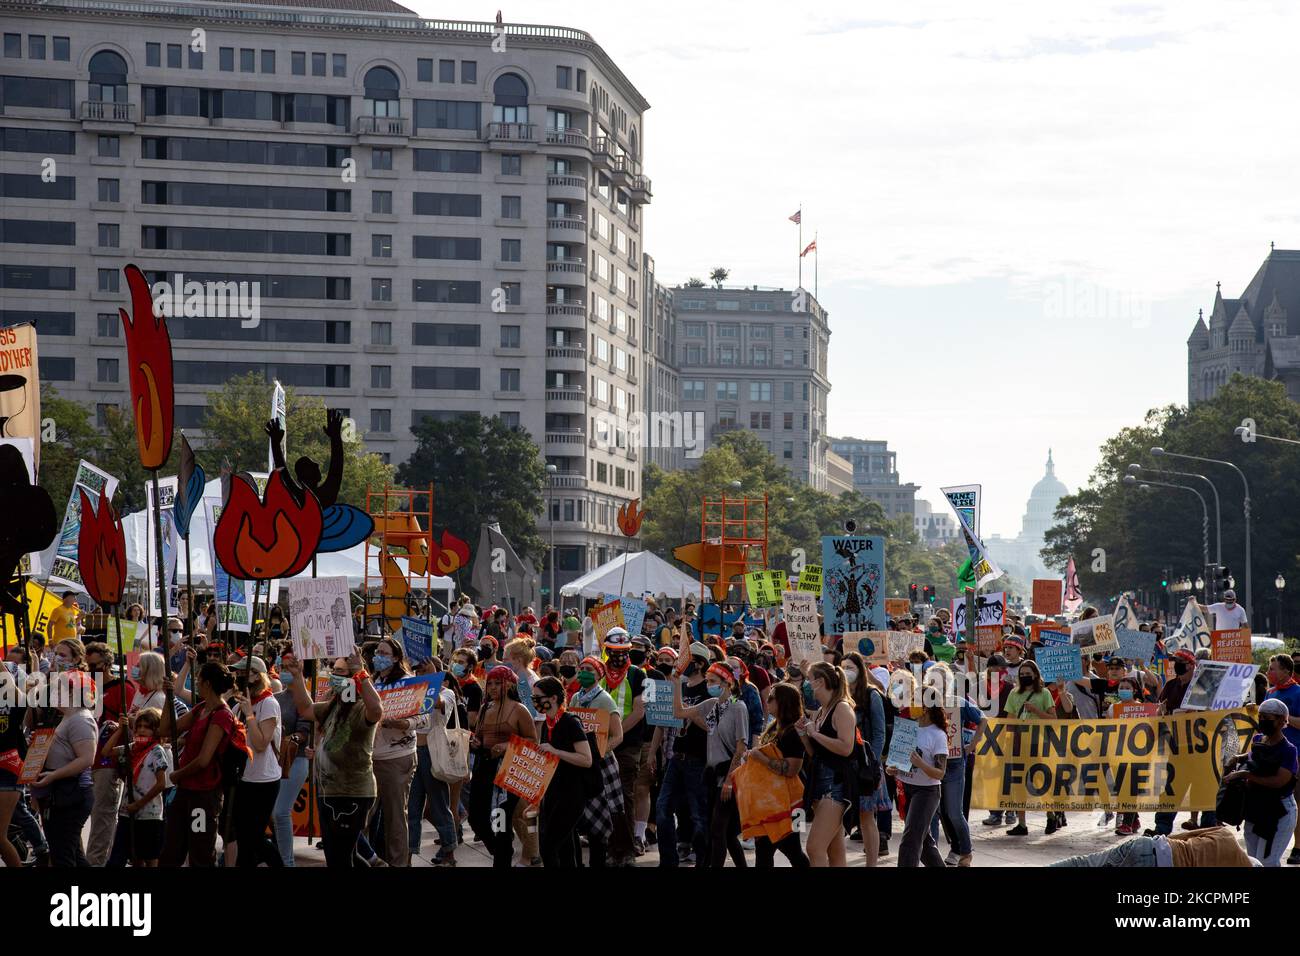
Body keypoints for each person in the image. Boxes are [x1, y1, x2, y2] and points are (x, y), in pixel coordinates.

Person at [282, 650, 382, 867]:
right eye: (333, 670)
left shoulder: (360, 707)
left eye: (341, 671)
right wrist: (298, 676)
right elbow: (306, 709)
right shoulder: (334, 705)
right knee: (343, 855)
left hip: (352, 793)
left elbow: (376, 710)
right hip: (329, 792)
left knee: (341, 858)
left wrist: (360, 672)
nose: (334, 675)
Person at [159, 661, 237, 867]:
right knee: (171, 849)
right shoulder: (201, 708)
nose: (197, 684)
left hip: (203, 795)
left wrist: (178, 774)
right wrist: (169, 697)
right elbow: (167, 729)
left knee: (201, 851)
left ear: (208, 684)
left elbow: (204, 760)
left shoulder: (222, 715)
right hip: (185, 792)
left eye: (199, 680)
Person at [671, 657, 747, 867]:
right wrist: (676, 682)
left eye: (713, 681)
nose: (709, 685)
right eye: (708, 681)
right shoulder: (712, 705)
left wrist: (729, 781)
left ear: (726, 683)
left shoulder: (738, 707)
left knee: (717, 830)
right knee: (728, 835)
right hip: (712, 776)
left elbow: (741, 747)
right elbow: (679, 712)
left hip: (729, 778)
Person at [468, 664, 537, 867]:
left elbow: (533, 740)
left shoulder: (519, 709)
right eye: (490, 684)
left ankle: (502, 858)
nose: (493, 688)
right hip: (483, 767)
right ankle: (502, 851)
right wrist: (475, 742)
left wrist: (508, 745)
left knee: (501, 822)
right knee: (476, 819)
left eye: (498, 683)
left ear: (509, 685)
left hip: (507, 771)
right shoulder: (485, 708)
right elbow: (478, 736)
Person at [33, 668, 99, 866]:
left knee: (64, 855)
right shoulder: (68, 717)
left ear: (71, 692)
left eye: (56, 687)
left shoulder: (81, 719)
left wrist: (53, 776)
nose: (52, 691)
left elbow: (87, 759)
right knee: (70, 853)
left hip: (71, 792)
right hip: (62, 792)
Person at [656, 640, 712, 867]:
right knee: (662, 810)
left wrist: (689, 713)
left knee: (699, 815)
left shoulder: (710, 689)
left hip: (698, 760)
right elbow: (664, 721)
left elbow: (712, 725)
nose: (680, 665)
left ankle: (703, 859)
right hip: (675, 758)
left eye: (685, 661)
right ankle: (668, 861)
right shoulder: (681, 685)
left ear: (699, 664)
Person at [1224, 697, 1297, 866]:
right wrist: (1237, 758)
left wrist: (1244, 775)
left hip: (1279, 811)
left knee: (1268, 862)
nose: (1263, 721)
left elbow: (1279, 781)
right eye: (1261, 717)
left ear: (1281, 721)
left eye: (1268, 718)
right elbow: (1254, 756)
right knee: (1253, 861)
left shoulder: (1288, 750)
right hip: (1256, 807)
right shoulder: (1258, 740)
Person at [799, 661, 856, 867]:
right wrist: (805, 736)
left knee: (814, 847)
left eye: (809, 679)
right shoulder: (823, 710)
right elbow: (818, 753)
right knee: (835, 851)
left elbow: (845, 747)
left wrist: (814, 733)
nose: (806, 684)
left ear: (820, 682)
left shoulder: (842, 708)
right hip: (820, 784)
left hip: (836, 788)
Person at [601, 627, 651, 864]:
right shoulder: (600, 673)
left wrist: (618, 733)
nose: (619, 656)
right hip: (604, 744)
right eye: (614, 651)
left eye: (624, 651)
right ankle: (613, 848)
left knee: (624, 796)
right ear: (607, 651)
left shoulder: (639, 675)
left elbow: (640, 711)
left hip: (628, 744)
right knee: (606, 798)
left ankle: (628, 850)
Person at [747, 681, 810, 867]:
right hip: (770, 800)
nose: (767, 700)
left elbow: (792, 769)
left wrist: (760, 758)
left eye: (772, 698)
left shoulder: (793, 732)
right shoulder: (774, 726)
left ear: (784, 702)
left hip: (794, 803)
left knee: (792, 849)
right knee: (764, 849)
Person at [533, 675, 593, 866]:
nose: (535, 701)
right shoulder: (548, 724)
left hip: (572, 794)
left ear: (553, 698)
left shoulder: (570, 722)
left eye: (538, 697)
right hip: (553, 793)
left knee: (549, 846)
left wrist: (556, 752)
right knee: (565, 847)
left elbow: (586, 759)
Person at [367, 636, 417, 866]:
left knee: (395, 818)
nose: (379, 656)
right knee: (364, 818)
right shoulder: (372, 681)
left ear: (396, 658)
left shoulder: (408, 683)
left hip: (397, 758)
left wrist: (401, 723)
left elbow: (422, 718)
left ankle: (398, 863)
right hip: (369, 758)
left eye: (385, 653)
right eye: (377, 652)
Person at [230, 654, 283, 867]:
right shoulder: (239, 704)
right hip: (244, 778)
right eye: (238, 673)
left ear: (257, 676)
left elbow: (261, 743)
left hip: (264, 780)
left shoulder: (268, 703)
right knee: (243, 838)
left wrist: (249, 714)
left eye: (245, 673)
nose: (239, 677)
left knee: (254, 836)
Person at [101, 707, 170, 867]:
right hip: (127, 811)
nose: (141, 730)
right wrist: (120, 730)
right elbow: (106, 752)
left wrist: (139, 804)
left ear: (155, 730)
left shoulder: (156, 751)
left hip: (149, 814)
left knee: (150, 857)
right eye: (139, 726)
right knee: (133, 855)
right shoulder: (132, 747)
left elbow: (161, 783)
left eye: (146, 727)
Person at [410, 661, 460, 866]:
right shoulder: (413, 690)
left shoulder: (447, 693)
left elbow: (437, 702)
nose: (420, 674)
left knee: (439, 805)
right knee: (412, 808)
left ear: (437, 673)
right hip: (413, 752)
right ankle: (409, 853)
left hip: (433, 754)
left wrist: (430, 677)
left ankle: (449, 850)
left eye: (425, 670)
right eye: (418, 670)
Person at [888, 704, 949, 868]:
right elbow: (894, 763)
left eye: (916, 701)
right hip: (906, 789)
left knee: (910, 840)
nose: (910, 705)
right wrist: (892, 768)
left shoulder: (938, 734)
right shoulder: (907, 728)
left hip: (927, 792)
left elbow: (940, 773)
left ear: (927, 708)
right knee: (925, 845)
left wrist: (920, 763)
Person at [842, 652, 886, 866]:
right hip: (843, 764)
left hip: (865, 765)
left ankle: (871, 863)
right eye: (843, 667)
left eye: (850, 667)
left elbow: (879, 733)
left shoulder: (872, 695)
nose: (845, 671)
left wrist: (872, 762)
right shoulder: (839, 696)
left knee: (866, 816)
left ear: (860, 669)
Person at [1002, 659, 1055, 836]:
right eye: (1022, 674)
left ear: (1035, 675)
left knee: (1041, 781)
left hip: (1038, 742)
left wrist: (1035, 711)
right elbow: (1009, 719)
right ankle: (1022, 823)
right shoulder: (1014, 694)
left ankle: (1051, 816)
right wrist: (1007, 740)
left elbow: (1053, 719)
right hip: (1019, 742)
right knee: (1019, 783)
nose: (1025, 677)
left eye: (1028, 674)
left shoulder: (1045, 694)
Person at [271, 653, 313, 866]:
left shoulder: (304, 697)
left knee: (280, 812)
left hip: (295, 760)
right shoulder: (276, 697)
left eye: (290, 667)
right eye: (282, 666)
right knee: (273, 814)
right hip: (274, 762)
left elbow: (305, 730)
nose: (285, 671)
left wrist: (293, 739)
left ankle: (287, 863)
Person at [1051, 825, 1255, 867]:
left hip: (1150, 845)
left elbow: (1183, 835)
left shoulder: (1225, 834)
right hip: (1160, 864)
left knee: (1087, 863)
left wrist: (1158, 842)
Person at [1262, 654, 1300, 863]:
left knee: (1296, 802)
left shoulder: (1298, 693)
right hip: (1270, 755)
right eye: (1269, 668)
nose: (1269, 672)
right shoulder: (1270, 693)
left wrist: (1284, 719)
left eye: (1273, 668)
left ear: (1286, 671)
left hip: (1295, 755)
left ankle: (1298, 846)